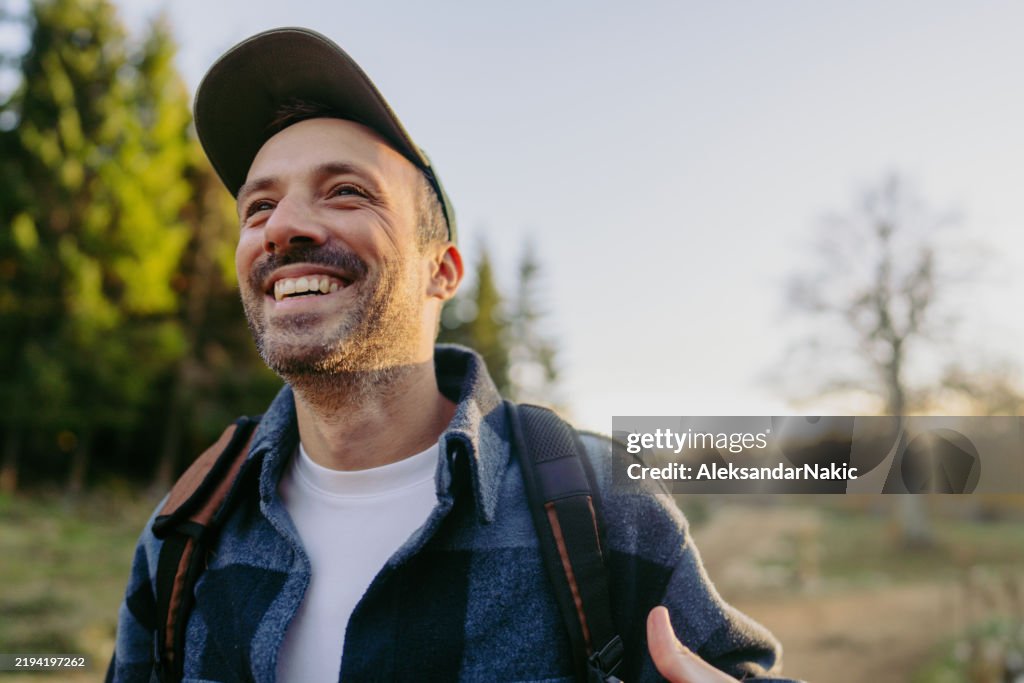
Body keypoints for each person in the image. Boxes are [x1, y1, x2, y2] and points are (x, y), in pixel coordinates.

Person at [108, 27, 800, 683]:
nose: (282, 227)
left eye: (345, 191)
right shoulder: (187, 527)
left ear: (441, 270)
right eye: (257, 208)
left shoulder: (601, 502)